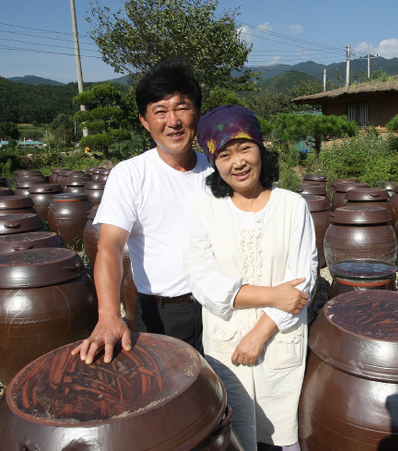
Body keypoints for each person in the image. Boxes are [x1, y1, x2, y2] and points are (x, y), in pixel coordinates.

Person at [183, 105, 317, 451]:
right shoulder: (204, 212)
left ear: (260, 148)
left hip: (278, 341)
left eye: (245, 148)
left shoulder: (292, 206)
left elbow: (302, 280)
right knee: (235, 433)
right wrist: (272, 295)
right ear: (214, 162)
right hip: (227, 346)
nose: (237, 162)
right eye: (224, 154)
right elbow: (203, 282)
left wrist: (259, 333)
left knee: (281, 432)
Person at [72, 58, 214, 364]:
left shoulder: (218, 170)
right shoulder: (130, 174)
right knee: (171, 399)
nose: (173, 121)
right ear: (144, 121)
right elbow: (109, 245)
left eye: (182, 107)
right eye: (160, 111)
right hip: (162, 313)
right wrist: (109, 315)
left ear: (197, 113)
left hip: (222, 307)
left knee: (223, 397)